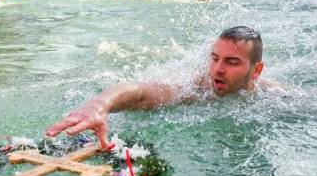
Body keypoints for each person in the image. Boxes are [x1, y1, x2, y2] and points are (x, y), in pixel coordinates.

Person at [45, 26, 272, 148]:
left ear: (256, 71)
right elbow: (142, 92)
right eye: (214, 58)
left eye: (232, 62)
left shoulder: (273, 94)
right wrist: (99, 104)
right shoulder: (194, 88)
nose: (217, 70)